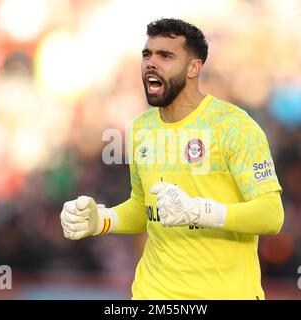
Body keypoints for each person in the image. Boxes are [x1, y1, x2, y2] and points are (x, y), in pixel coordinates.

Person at [60, 18, 284, 299]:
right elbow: (145, 207)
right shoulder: (141, 128)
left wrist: (199, 212)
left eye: (165, 55)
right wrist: (102, 220)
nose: (151, 63)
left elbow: (271, 215)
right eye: (147, 55)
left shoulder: (235, 126)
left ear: (194, 67)